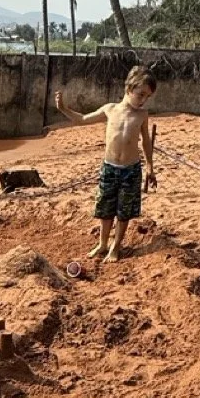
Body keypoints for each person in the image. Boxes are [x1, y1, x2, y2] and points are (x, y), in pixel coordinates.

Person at [55, 65, 158, 260]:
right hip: (109, 168)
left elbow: (145, 141)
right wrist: (63, 109)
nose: (143, 100)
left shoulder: (142, 115)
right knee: (105, 208)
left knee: (124, 211)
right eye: (141, 94)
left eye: (147, 97)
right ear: (129, 88)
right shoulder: (110, 109)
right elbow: (83, 119)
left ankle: (115, 247)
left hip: (131, 170)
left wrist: (150, 168)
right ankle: (102, 244)